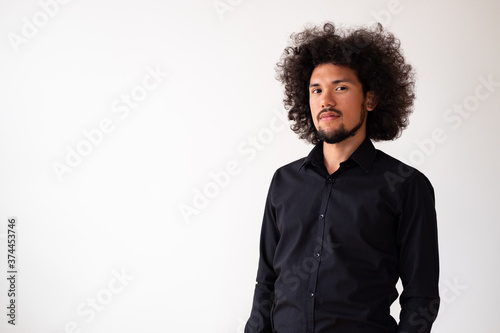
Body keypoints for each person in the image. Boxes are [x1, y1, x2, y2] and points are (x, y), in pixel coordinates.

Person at [244, 22, 440, 333]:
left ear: (371, 99)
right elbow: (266, 282)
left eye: (341, 87)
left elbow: (421, 296)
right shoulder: (284, 181)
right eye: (316, 90)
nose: (326, 101)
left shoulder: (405, 185)